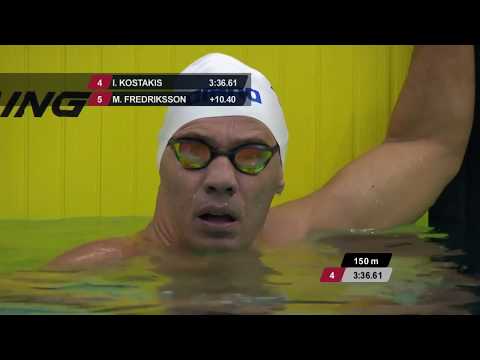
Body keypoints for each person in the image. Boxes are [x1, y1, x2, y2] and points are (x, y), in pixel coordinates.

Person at [48, 45, 475, 271]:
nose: (221, 177)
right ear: (162, 164)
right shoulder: (94, 274)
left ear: (279, 175)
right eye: (195, 151)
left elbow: (428, 145)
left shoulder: (306, 246)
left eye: (249, 156)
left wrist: (374, 277)